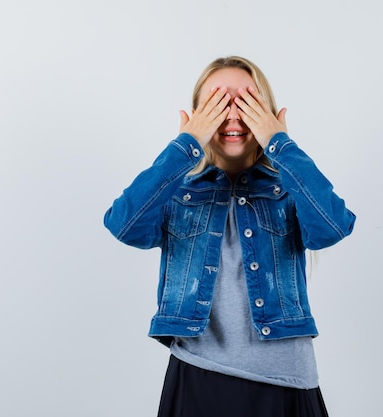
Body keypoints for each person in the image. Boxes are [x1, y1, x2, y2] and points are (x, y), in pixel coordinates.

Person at [103, 56, 355, 417]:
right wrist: (185, 145)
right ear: (197, 116)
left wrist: (280, 144)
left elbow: (332, 227)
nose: (233, 115)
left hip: (287, 379)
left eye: (246, 103)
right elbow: (124, 225)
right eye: (218, 103)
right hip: (198, 372)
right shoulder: (176, 190)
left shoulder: (289, 189)